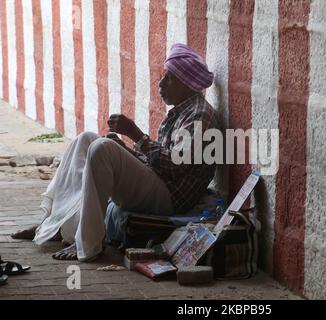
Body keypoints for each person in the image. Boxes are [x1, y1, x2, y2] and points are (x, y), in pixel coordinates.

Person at [11, 43, 218, 261]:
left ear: (187, 84)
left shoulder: (199, 116)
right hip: (159, 182)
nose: (160, 84)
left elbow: (174, 166)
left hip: (170, 198)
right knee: (86, 140)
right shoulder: (183, 111)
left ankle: (89, 243)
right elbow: (162, 161)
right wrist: (127, 151)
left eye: (169, 79)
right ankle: (52, 223)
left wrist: (135, 134)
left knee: (102, 148)